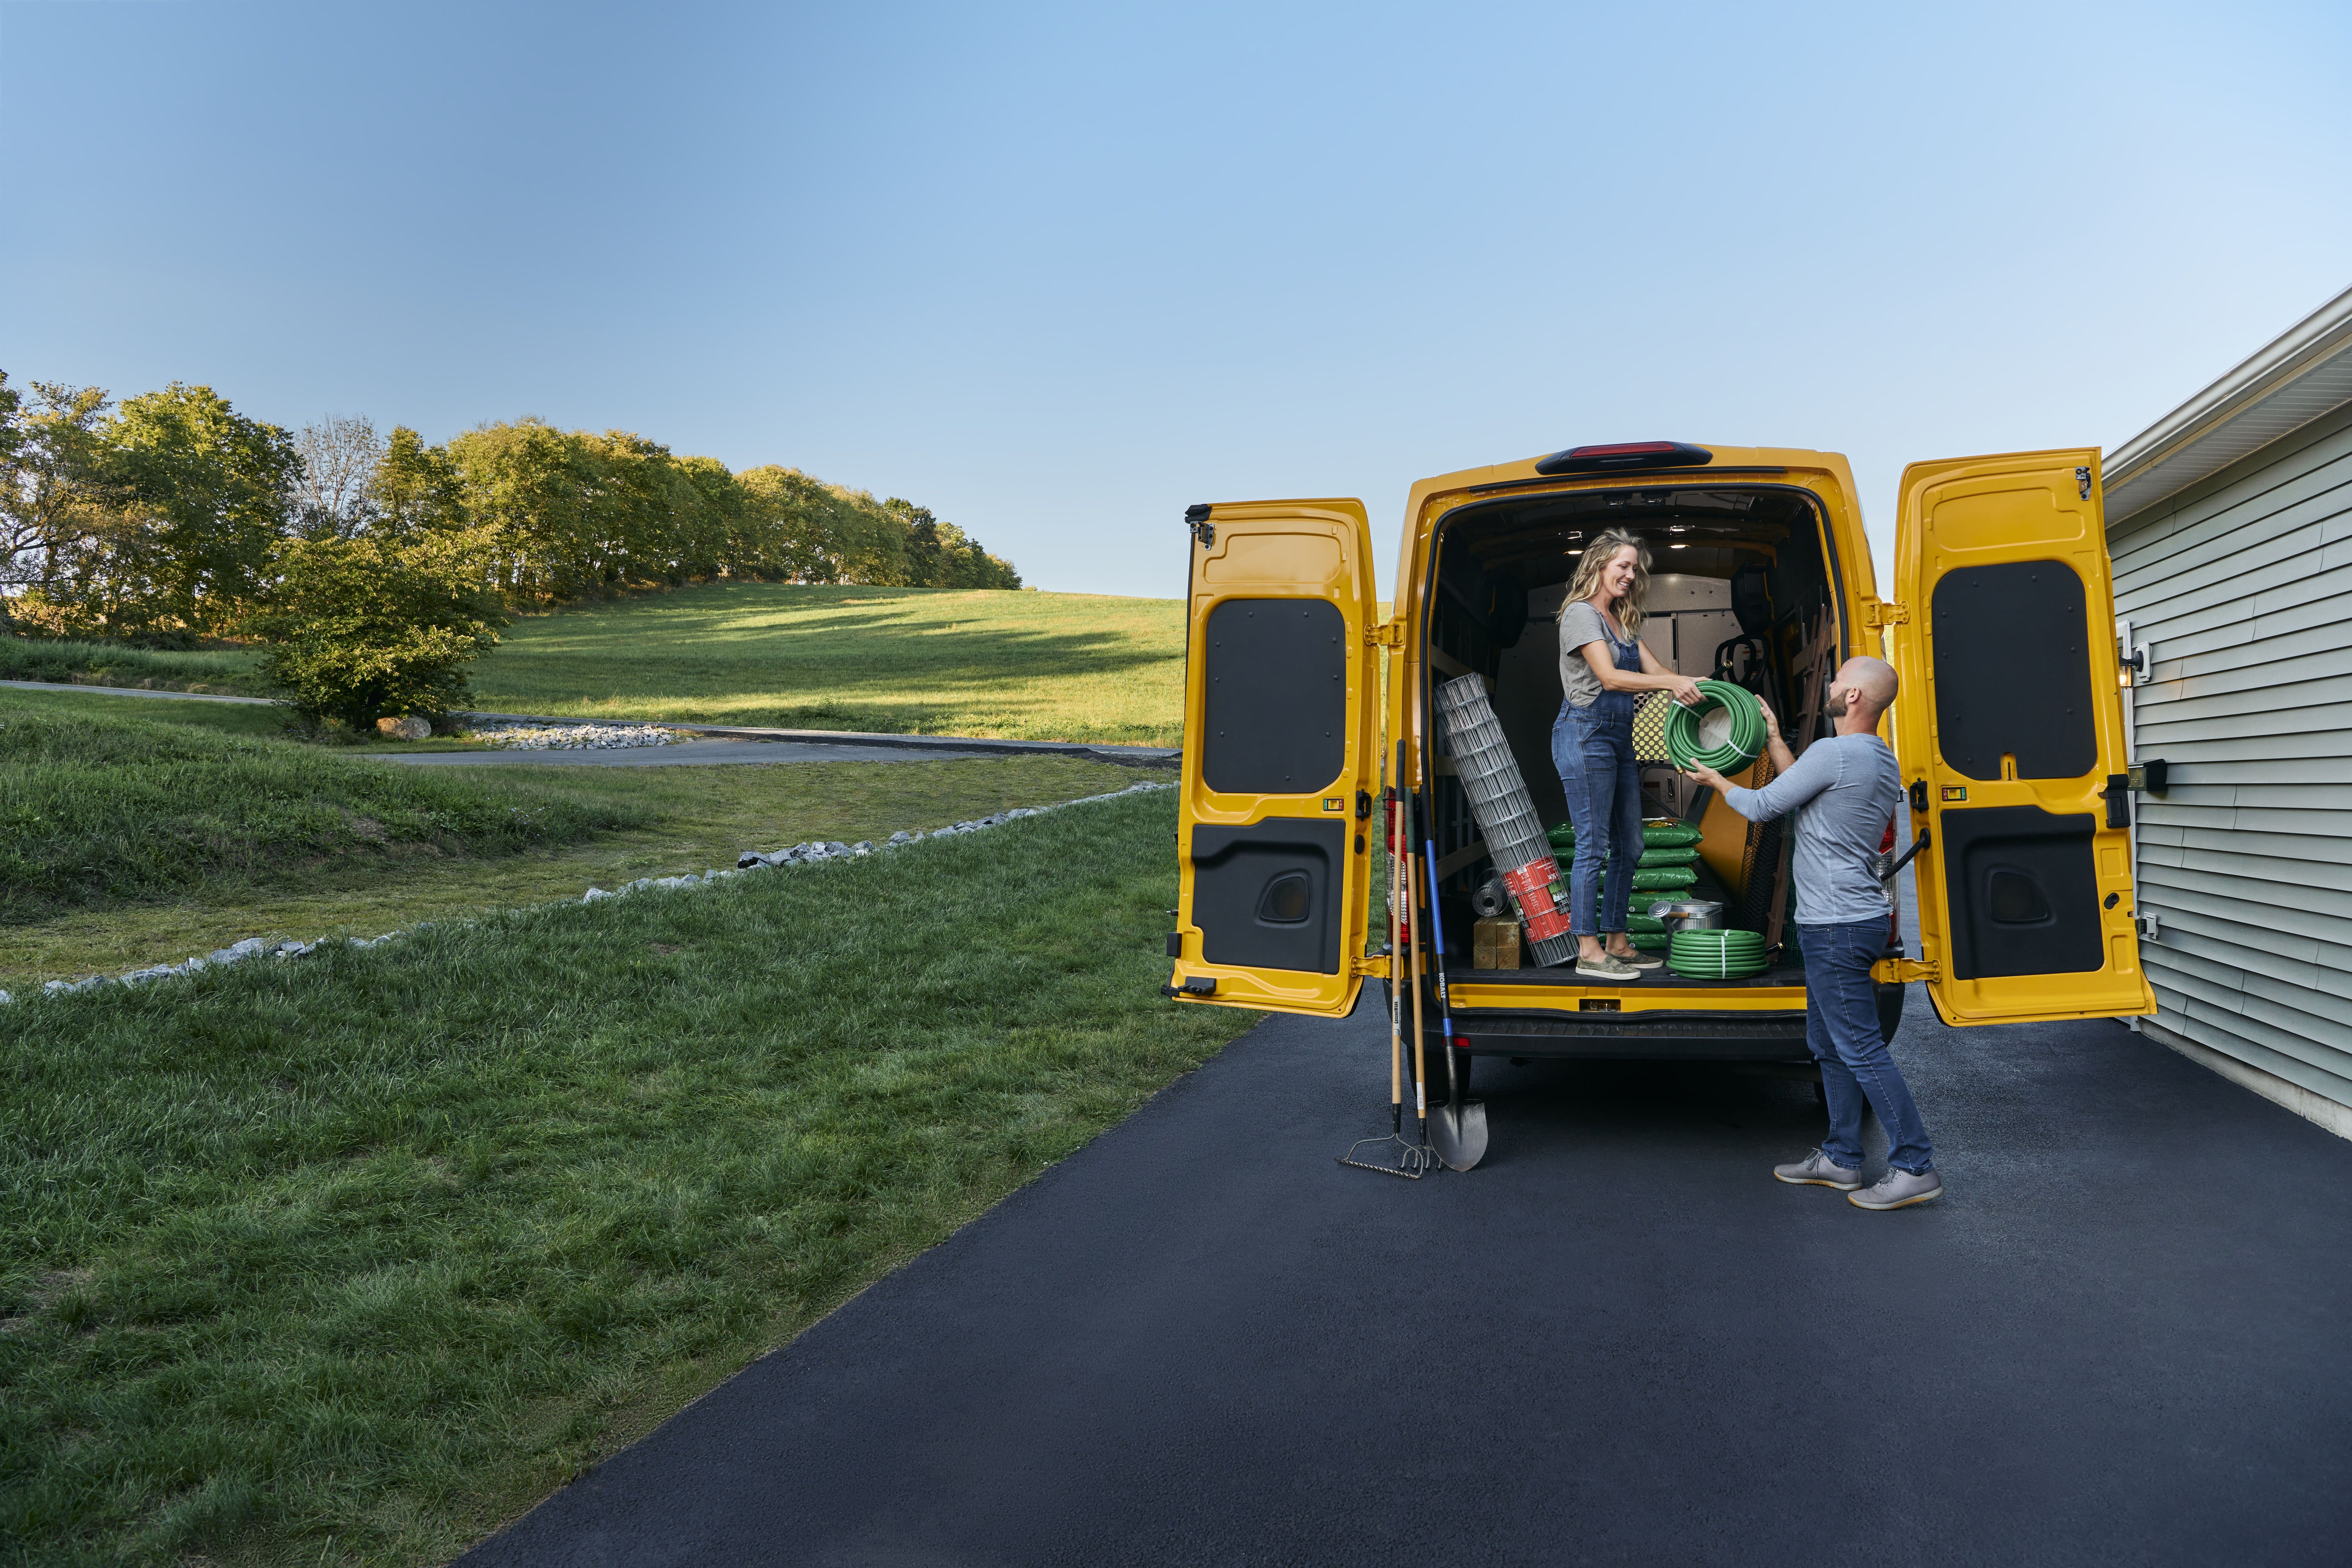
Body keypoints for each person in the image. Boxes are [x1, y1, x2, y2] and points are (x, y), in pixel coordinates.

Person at [1680, 655, 1941, 1210]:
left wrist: (1715, 780)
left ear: (1854, 698)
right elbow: (1802, 785)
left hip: (1837, 924)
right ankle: (1842, 1158)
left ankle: (1915, 1165)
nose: (1831, 682)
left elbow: (1762, 805)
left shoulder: (1834, 753)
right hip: (1849, 919)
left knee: (1860, 1047)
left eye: (1839, 678)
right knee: (1829, 1045)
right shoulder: (1875, 757)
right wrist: (1776, 739)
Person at [1553, 530, 1703, 983]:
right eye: (1623, 565)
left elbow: (1656, 672)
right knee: (1593, 845)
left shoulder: (1622, 620)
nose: (1631, 575)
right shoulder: (1581, 615)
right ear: (1599, 565)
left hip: (1618, 740)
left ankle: (1617, 942)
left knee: (1631, 845)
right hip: (1584, 734)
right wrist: (1671, 684)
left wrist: (1699, 685)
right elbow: (1611, 678)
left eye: (1635, 568)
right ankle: (1588, 950)